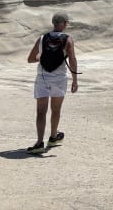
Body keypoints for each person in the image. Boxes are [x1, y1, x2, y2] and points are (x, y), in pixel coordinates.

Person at [26, 13, 78, 154]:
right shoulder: (68, 39)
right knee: (56, 110)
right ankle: (53, 137)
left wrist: (41, 56)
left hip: (42, 79)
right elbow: (72, 59)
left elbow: (30, 59)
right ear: (65, 23)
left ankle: (39, 143)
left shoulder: (42, 38)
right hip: (59, 79)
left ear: (53, 23)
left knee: (41, 111)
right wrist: (75, 80)